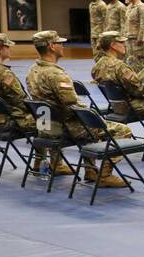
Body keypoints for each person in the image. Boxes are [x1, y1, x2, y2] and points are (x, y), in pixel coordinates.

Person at [26, 30, 131, 187]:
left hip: (45, 125)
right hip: (65, 127)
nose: (63, 46)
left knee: (85, 125)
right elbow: (73, 106)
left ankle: (74, 167)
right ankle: (104, 174)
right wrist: (94, 118)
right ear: (51, 46)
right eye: (60, 43)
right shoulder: (56, 74)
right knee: (121, 130)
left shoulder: (32, 70)